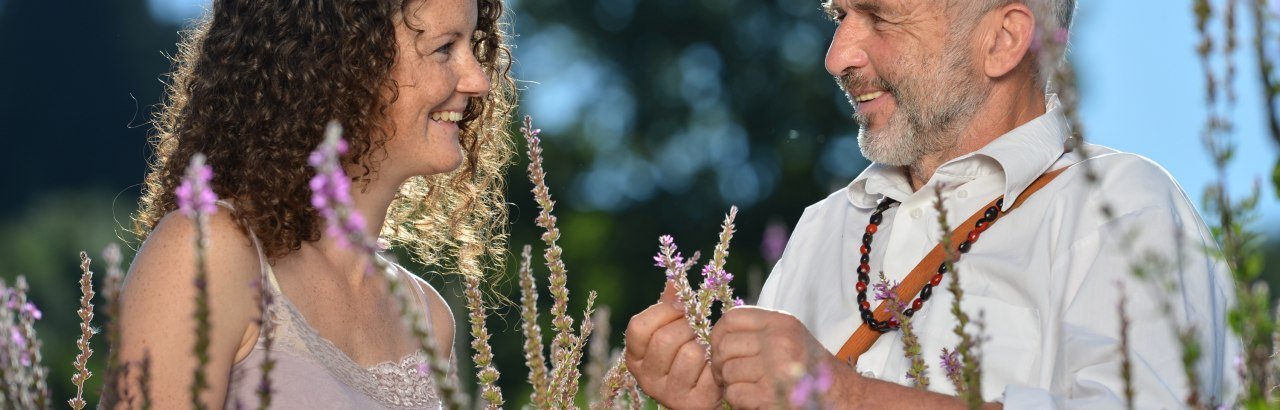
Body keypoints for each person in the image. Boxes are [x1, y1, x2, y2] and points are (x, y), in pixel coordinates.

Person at [625, 0, 1240, 408]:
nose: (837, 56)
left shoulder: (1121, 207)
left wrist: (847, 396)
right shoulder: (823, 229)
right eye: (840, 14)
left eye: (882, 17)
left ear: (1002, 40)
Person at [112, 0, 515, 407]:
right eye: (444, 47)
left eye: (474, 45)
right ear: (346, 61)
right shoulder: (207, 251)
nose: (478, 79)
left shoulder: (430, 317)